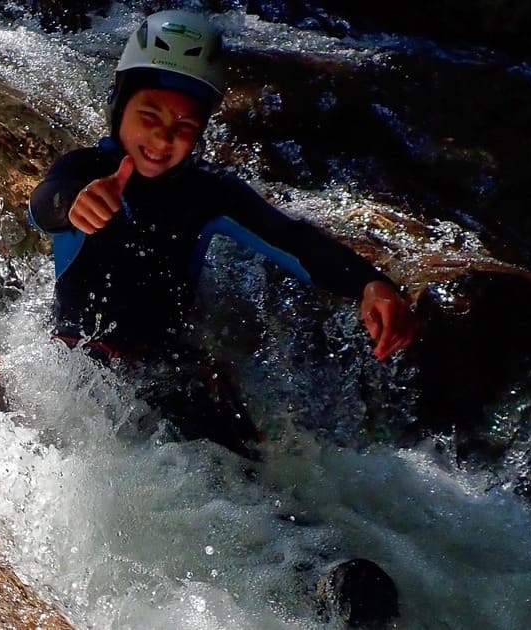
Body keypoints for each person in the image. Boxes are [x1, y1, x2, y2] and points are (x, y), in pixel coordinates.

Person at [28, 10, 419, 458]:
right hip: (78, 363)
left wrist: (370, 283)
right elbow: (44, 205)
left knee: (251, 479)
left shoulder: (209, 193)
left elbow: (292, 239)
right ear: (120, 107)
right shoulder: (84, 171)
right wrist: (73, 205)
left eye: (184, 127)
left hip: (165, 366)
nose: (162, 138)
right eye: (149, 116)